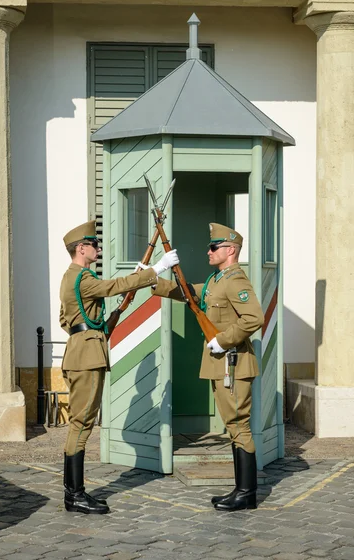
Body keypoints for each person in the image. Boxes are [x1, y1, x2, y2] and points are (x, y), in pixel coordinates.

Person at [59, 220, 179, 514]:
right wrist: (156, 270)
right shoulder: (81, 278)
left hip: (84, 350)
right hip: (86, 357)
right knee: (82, 423)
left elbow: (80, 320)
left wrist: (116, 311)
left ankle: (73, 493)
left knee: (82, 422)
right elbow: (112, 286)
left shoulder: (74, 278)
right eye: (94, 245)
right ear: (81, 248)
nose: (98, 248)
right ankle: (74, 494)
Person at [151, 222, 264, 511]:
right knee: (233, 426)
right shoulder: (217, 280)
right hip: (224, 364)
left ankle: (246, 493)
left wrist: (224, 341)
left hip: (234, 363)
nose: (208, 251)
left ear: (230, 250)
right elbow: (190, 293)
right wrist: (153, 279)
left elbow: (254, 318)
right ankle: (240, 489)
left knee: (239, 426)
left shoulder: (236, 280)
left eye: (213, 247)